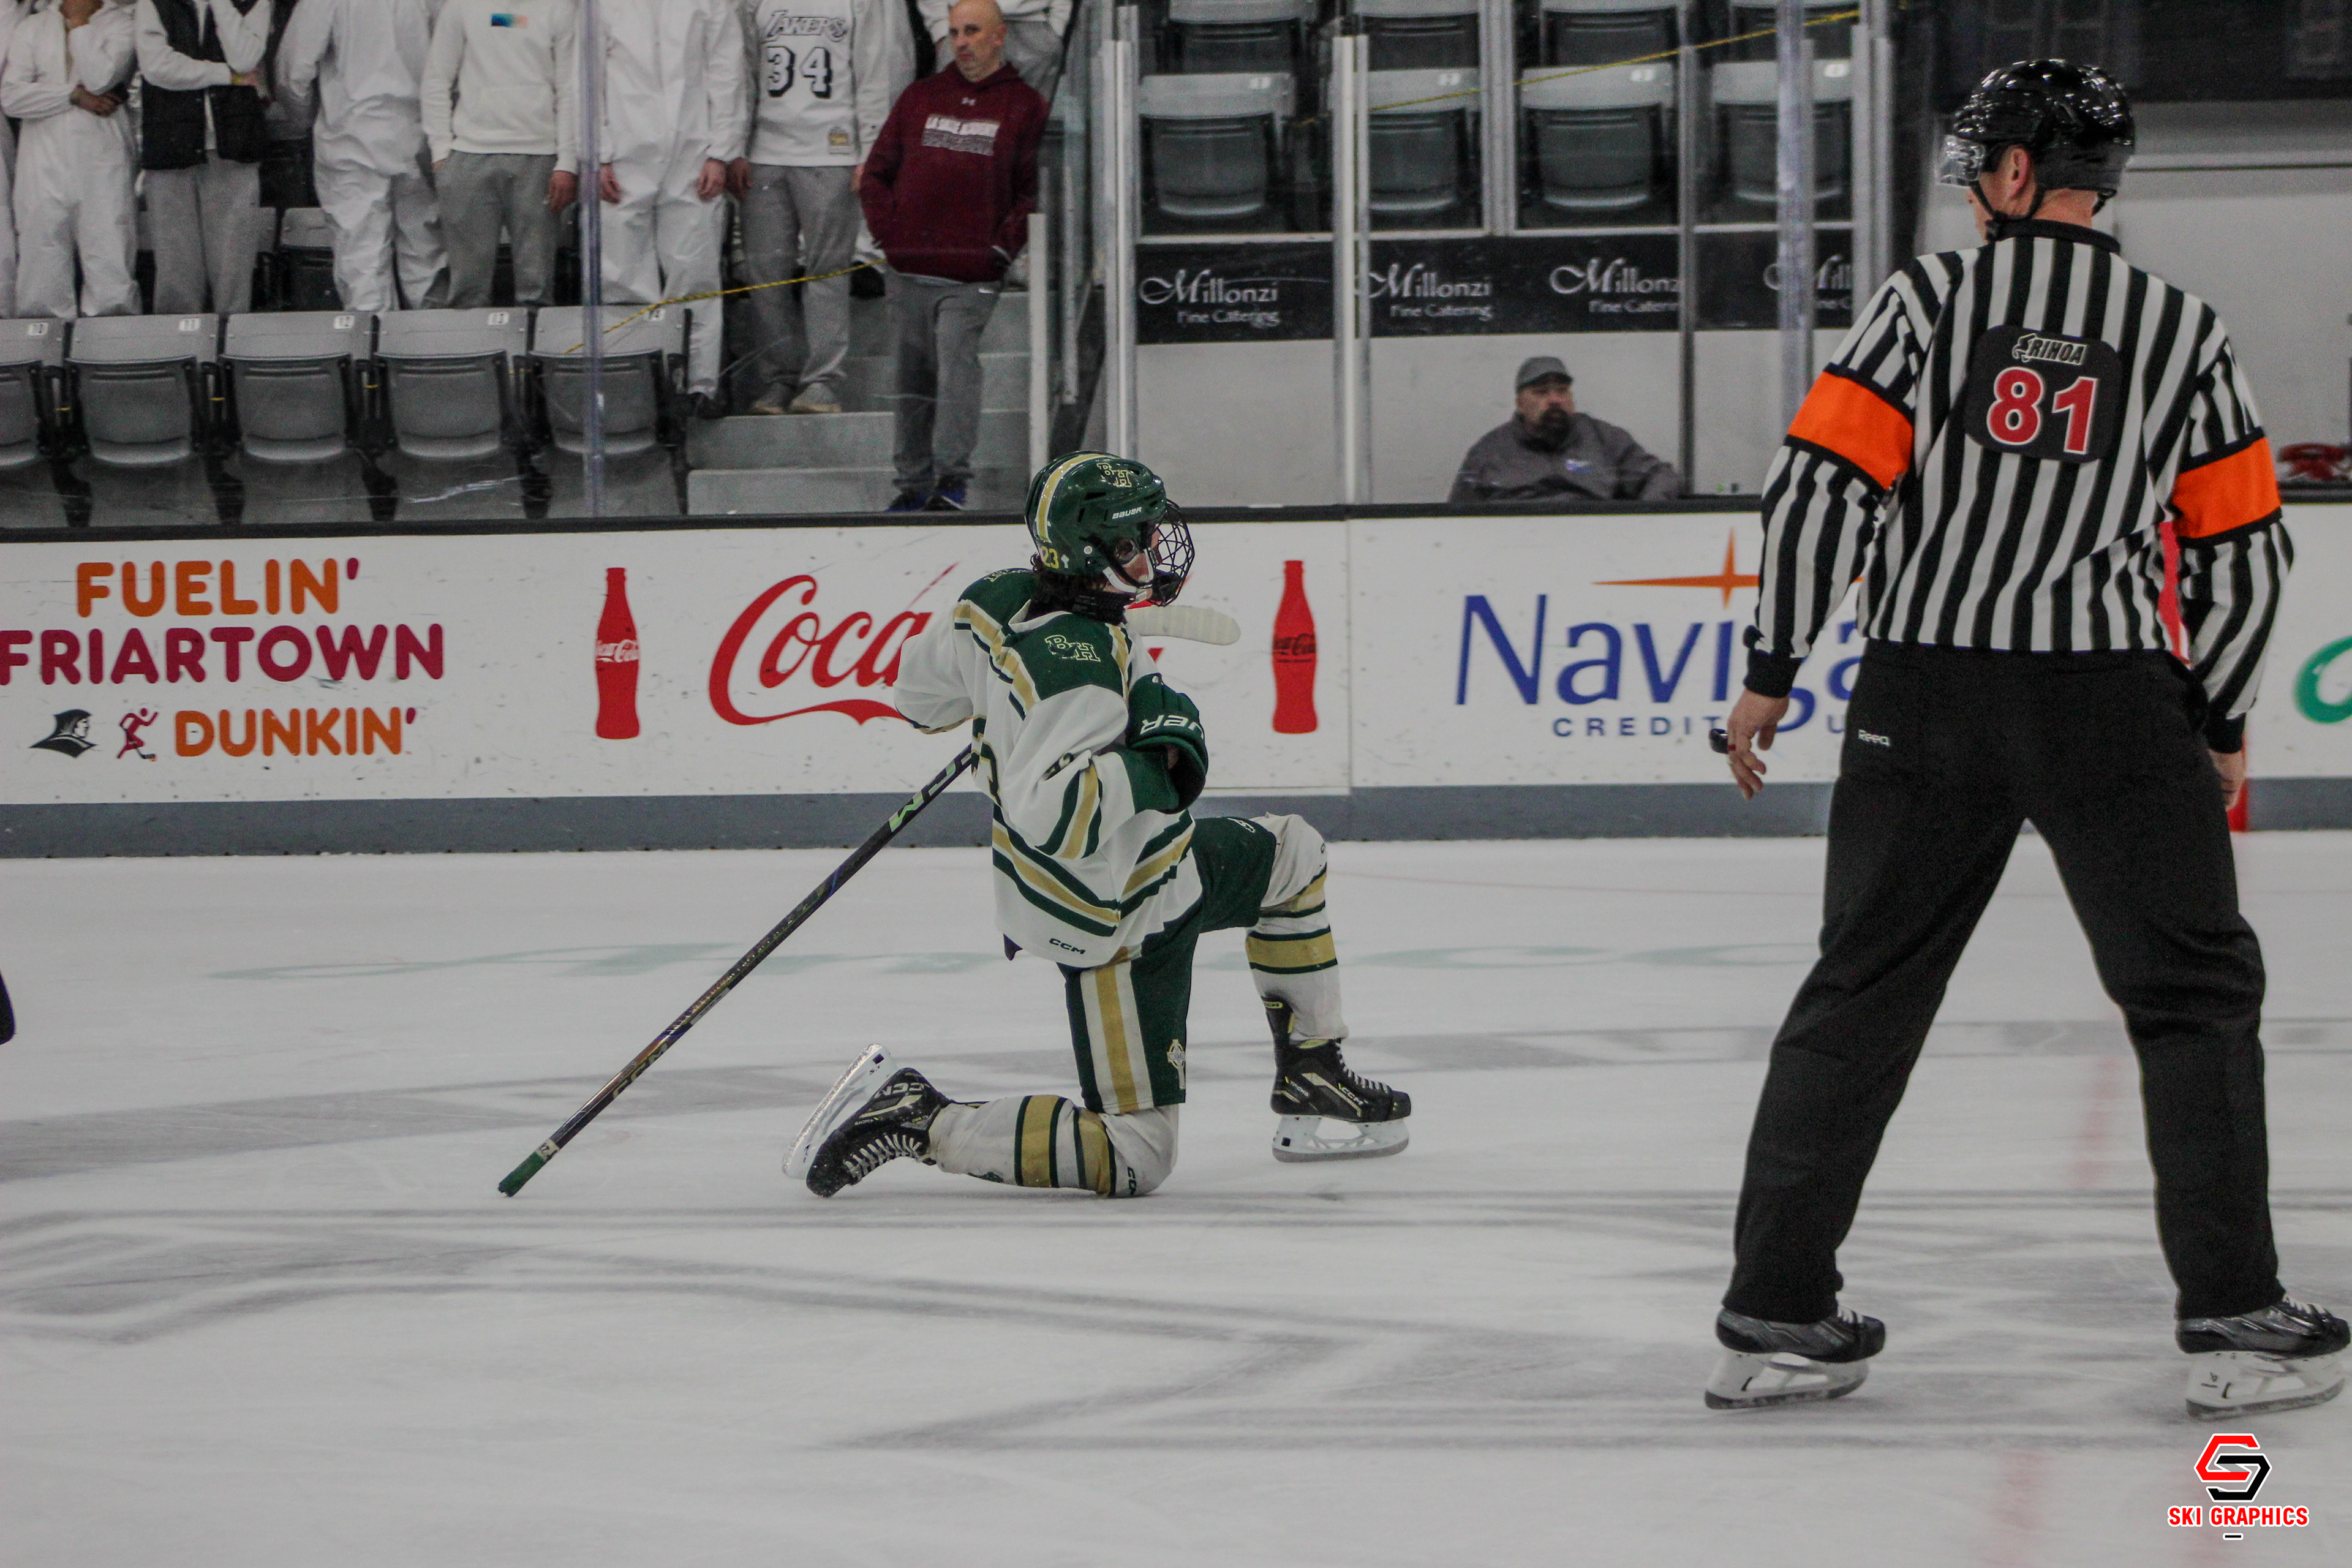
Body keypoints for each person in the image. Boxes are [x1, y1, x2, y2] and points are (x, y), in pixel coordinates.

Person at [1706, 61, 2343, 1419]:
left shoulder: (1927, 300)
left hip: (1922, 692)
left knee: (1862, 990)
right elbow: (2244, 550)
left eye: (1977, 167)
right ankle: (2234, 1312)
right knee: (2193, 997)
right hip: (2107, 701)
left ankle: (1777, 1310)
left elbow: (1819, 490)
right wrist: (2222, 714)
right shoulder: (2181, 327)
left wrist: (1772, 667)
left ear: (2012, 172)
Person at [788, 453, 1411, 1200]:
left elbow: (919, 699)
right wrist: (1158, 761)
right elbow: (1055, 816)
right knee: (1137, 1155)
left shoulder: (997, 598)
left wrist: (1000, 702)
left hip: (1158, 866)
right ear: (1089, 552)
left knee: (1292, 855)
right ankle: (922, 1118)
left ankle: (1313, 1072)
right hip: (1115, 918)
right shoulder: (1078, 670)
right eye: (1132, 540)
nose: (1150, 553)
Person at [859, 0, 1044, 511]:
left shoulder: (1024, 104)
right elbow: (876, 175)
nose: (961, 42)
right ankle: (912, 484)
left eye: (973, 31)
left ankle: (950, 481)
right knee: (912, 379)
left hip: (971, 277)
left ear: (999, 36)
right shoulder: (920, 96)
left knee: (956, 368)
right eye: (955, 32)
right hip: (909, 270)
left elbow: (1030, 192)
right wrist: (891, 237)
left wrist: (999, 251)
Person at [732, 0, 911, 416]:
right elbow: (741, 75)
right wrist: (736, 146)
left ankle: (822, 381)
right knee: (766, 276)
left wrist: (871, 149)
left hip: (831, 151)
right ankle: (778, 379)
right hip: (766, 152)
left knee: (827, 271)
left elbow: (872, 75)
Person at [581, 0, 748, 418]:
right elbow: (588, 79)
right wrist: (598, 154)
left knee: (695, 276)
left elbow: (727, 72)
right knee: (621, 280)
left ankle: (700, 384)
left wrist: (721, 153)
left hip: (692, 156)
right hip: (623, 156)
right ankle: (634, 389)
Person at [276, 0, 448, 314]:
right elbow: (458, 53)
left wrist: (305, 120)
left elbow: (294, 71)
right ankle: (433, 340)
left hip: (350, 138)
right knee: (427, 258)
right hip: (419, 135)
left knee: (361, 263)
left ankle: (371, 340)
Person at [421, 0, 577, 310]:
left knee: (537, 286)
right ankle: (468, 342)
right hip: (469, 155)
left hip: (538, 156)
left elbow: (571, 89)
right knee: (467, 288)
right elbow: (436, 79)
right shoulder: (461, 7)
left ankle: (531, 342)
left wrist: (567, 162)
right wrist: (441, 152)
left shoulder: (559, 8)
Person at [135, 0, 277, 316]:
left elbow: (245, 57)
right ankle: (180, 338)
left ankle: (232, 332)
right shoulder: (154, 2)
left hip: (234, 143)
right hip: (171, 142)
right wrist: (226, 75)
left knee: (234, 258)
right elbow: (157, 67)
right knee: (175, 259)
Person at [4, 0, 140, 320]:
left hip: (101, 155)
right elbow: (11, 98)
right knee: (42, 256)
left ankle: (113, 344)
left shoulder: (120, 23)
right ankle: (42, 345)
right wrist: (73, 96)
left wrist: (80, 24)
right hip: (42, 158)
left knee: (109, 253)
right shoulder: (33, 27)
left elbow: (100, 78)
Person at [1448, 356, 1682, 505]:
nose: (1554, 400)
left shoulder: (1605, 439)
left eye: (1562, 391)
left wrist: (1639, 522)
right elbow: (1458, 516)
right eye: (1541, 392)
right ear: (1520, 404)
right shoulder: (1489, 452)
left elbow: (1661, 477)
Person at [916, 0, 1062, 101]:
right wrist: (940, 28)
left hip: (1031, 25)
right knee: (954, 123)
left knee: (1029, 126)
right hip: (962, 20)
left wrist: (1059, 24)